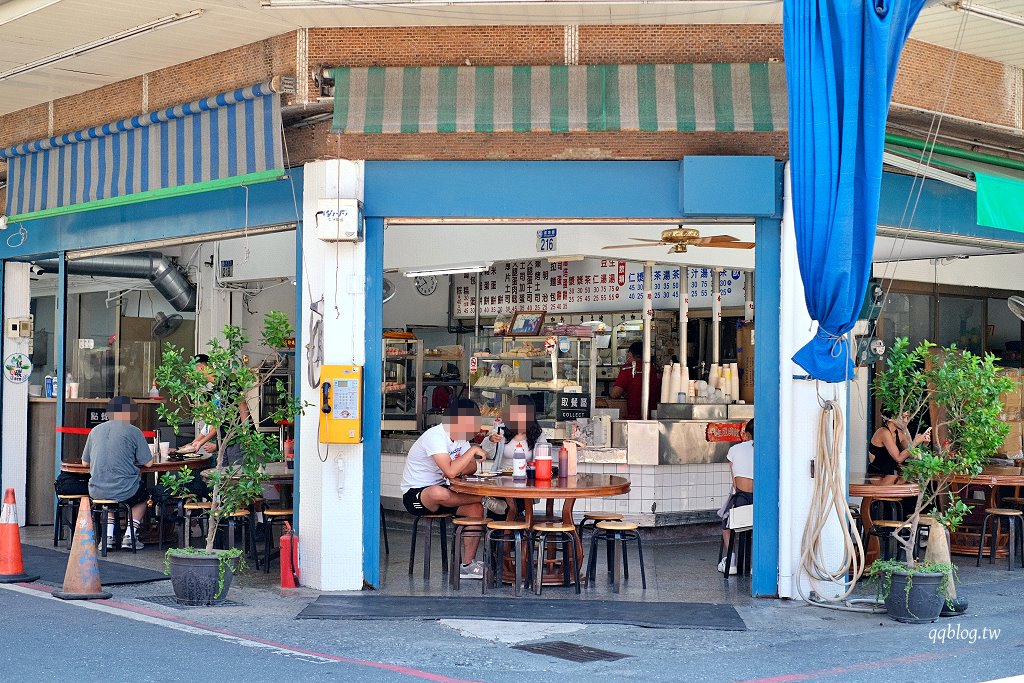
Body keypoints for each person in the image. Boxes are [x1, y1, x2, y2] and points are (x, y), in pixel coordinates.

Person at [400, 399, 488, 580]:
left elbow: (471, 468)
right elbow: (450, 472)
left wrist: (458, 463)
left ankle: (467, 565)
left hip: (445, 493)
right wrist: (471, 452)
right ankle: (483, 498)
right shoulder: (436, 436)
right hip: (417, 495)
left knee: (475, 509)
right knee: (437, 492)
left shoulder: (461, 438)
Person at [81, 396, 152, 550]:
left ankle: (108, 537)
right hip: (125, 488)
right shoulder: (133, 431)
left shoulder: (95, 430)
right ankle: (130, 535)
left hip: (97, 490)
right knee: (143, 496)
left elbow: (85, 463)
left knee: (109, 499)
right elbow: (148, 463)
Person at [481, 395, 549, 516]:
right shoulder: (501, 430)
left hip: (526, 481)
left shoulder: (537, 434)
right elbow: (488, 454)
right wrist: (491, 440)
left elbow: (543, 455)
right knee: (501, 511)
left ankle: (511, 518)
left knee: (515, 505)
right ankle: (504, 519)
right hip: (501, 479)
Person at [718, 419, 754, 575]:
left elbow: (735, 483)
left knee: (725, 520)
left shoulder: (734, 450)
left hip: (741, 500)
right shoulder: (768, 449)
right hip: (761, 501)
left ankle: (731, 561)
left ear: (745, 434)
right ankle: (756, 563)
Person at [868, 416, 931, 484]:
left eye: (907, 418)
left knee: (907, 478)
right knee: (897, 479)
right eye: (903, 417)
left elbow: (912, 455)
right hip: (877, 475)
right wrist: (916, 442)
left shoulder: (900, 433)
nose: (906, 421)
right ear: (892, 418)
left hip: (892, 475)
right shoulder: (883, 432)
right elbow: (898, 458)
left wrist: (924, 444)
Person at [609, 341, 663, 420]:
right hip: (655, 416)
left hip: (635, 417)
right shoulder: (654, 369)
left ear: (630, 354)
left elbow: (615, 394)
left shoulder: (627, 369)